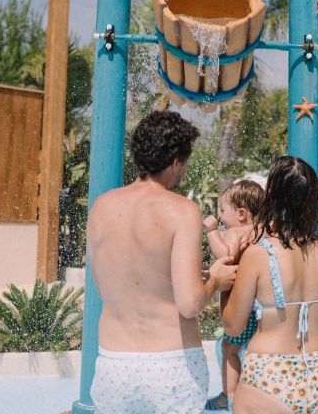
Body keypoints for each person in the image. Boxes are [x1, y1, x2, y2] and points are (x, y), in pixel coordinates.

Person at [87, 110, 238, 414]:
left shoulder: (100, 208)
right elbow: (190, 304)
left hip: (114, 363)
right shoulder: (181, 211)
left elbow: (108, 290)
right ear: (174, 162)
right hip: (171, 363)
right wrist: (215, 281)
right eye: (184, 163)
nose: (183, 171)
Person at [223, 156, 318, 414]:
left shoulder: (260, 253)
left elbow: (233, 326)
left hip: (269, 374)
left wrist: (226, 277)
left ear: (272, 197)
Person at [202, 180, 264, 411]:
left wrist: (211, 231)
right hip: (257, 306)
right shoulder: (261, 230)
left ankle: (230, 396)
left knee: (228, 348)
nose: (219, 216)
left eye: (222, 210)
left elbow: (225, 255)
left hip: (239, 309)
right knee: (249, 349)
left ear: (241, 213)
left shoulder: (234, 231)